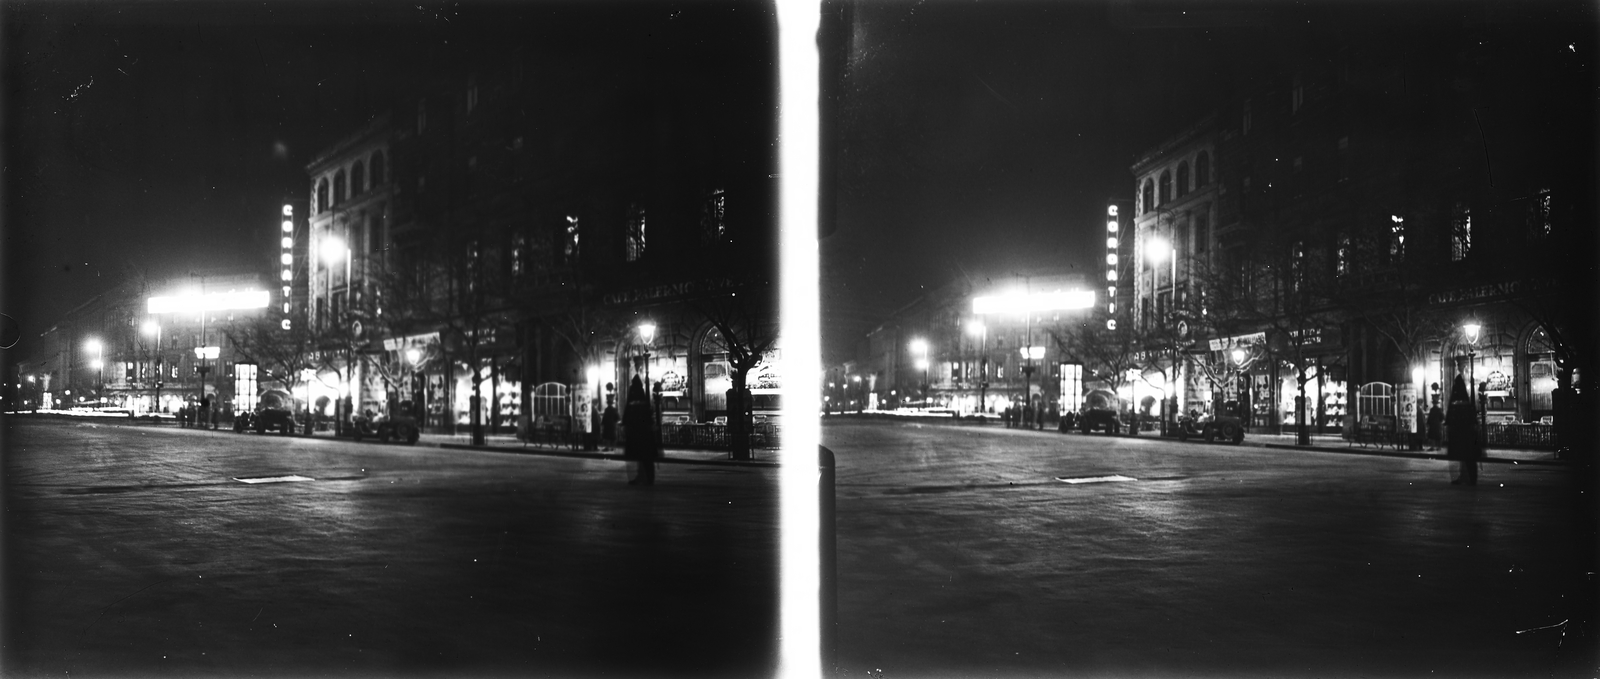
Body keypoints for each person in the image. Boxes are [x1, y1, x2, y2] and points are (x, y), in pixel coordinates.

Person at [1445, 375, 1481, 485]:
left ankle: (1466, 477)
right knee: (1469, 457)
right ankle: (1470, 477)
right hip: (1468, 435)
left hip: (1459, 434)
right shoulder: (1467, 402)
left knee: (1463, 457)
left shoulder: (1455, 400)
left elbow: (1450, 418)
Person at [622, 376, 658, 486]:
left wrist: (626, 424)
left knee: (639, 456)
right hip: (645, 432)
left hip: (635, 431)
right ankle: (648, 477)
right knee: (646, 456)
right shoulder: (643, 395)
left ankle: (641, 476)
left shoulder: (632, 394)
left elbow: (627, 411)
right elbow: (649, 414)